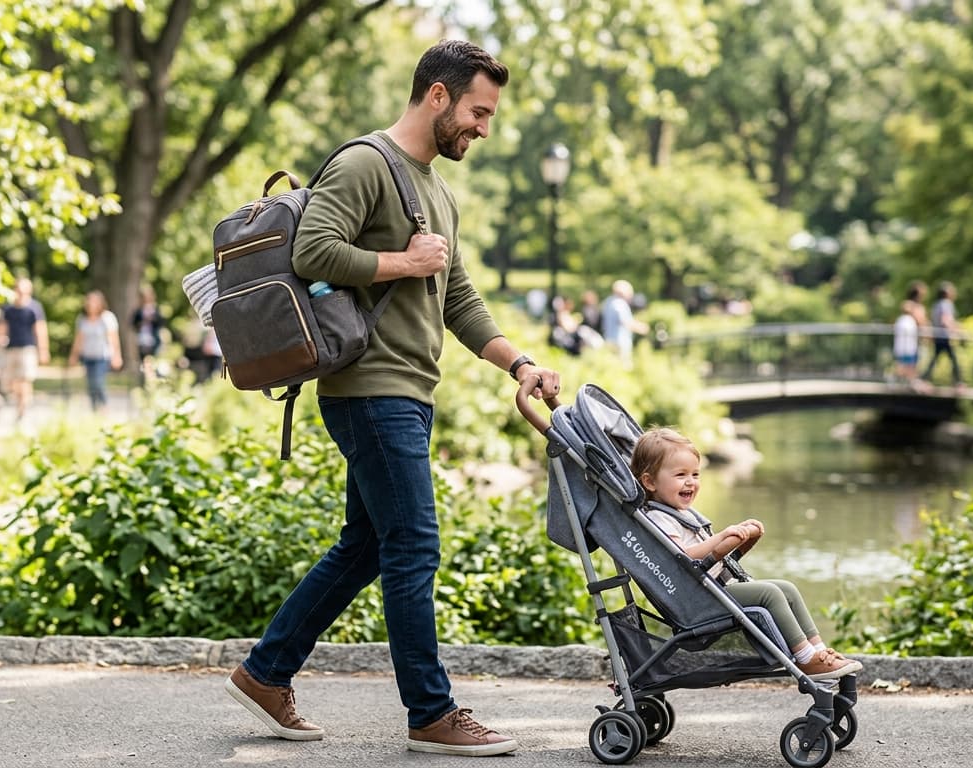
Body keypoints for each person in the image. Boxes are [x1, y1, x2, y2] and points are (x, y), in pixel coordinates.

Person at [224, 40, 560, 758]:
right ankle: (430, 714)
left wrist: (519, 363)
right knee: (413, 544)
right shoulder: (364, 164)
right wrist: (404, 261)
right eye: (477, 111)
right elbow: (314, 249)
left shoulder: (436, 189)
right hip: (370, 388)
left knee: (367, 545)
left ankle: (265, 673)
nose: (484, 128)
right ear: (436, 96)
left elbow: (457, 299)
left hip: (406, 390)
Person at [629, 427, 862, 680]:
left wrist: (740, 540)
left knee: (787, 589)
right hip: (696, 601)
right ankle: (805, 659)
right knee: (769, 593)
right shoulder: (659, 518)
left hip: (710, 588)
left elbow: (711, 557)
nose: (691, 482)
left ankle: (819, 652)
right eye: (680, 475)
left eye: (695, 474)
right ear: (650, 482)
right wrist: (722, 537)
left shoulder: (682, 514)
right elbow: (684, 555)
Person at [0, 277, 48, 421]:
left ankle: (22, 409)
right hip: (11, 348)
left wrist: (43, 349)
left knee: (25, 379)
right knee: (11, 382)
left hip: (28, 348)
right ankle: (22, 400)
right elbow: (3, 327)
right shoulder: (8, 308)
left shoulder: (34, 307)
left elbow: (40, 329)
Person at [67, 289, 123, 412]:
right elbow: (79, 339)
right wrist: (74, 356)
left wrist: (116, 356)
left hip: (102, 356)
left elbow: (113, 339)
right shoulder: (82, 319)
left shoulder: (107, 318)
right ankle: (94, 410)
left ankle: (104, 406)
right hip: (88, 356)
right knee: (90, 385)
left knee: (98, 383)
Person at [922, 281, 963, 388]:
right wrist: (955, 329)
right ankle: (958, 382)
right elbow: (945, 319)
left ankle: (924, 378)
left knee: (937, 358)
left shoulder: (936, 305)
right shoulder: (946, 304)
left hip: (938, 335)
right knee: (952, 358)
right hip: (944, 336)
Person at [601, 280, 649, 368]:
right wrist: (643, 328)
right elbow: (626, 322)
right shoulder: (619, 304)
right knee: (623, 368)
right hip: (619, 343)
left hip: (609, 339)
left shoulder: (608, 301)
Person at [893, 281, 929, 393]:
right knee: (910, 364)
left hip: (912, 340)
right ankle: (912, 382)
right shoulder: (913, 308)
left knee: (909, 363)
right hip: (911, 342)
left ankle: (910, 382)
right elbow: (921, 322)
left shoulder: (908, 308)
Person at [130, 285, 164, 383]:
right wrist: (142, 322)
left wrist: (152, 320)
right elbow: (133, 324)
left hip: (154, 339)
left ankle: (154, 381)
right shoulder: (139, 311)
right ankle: (144, 381)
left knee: (153, 360)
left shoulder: (156, 309)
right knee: (143, 362)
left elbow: (161, 323)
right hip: (142, 339)